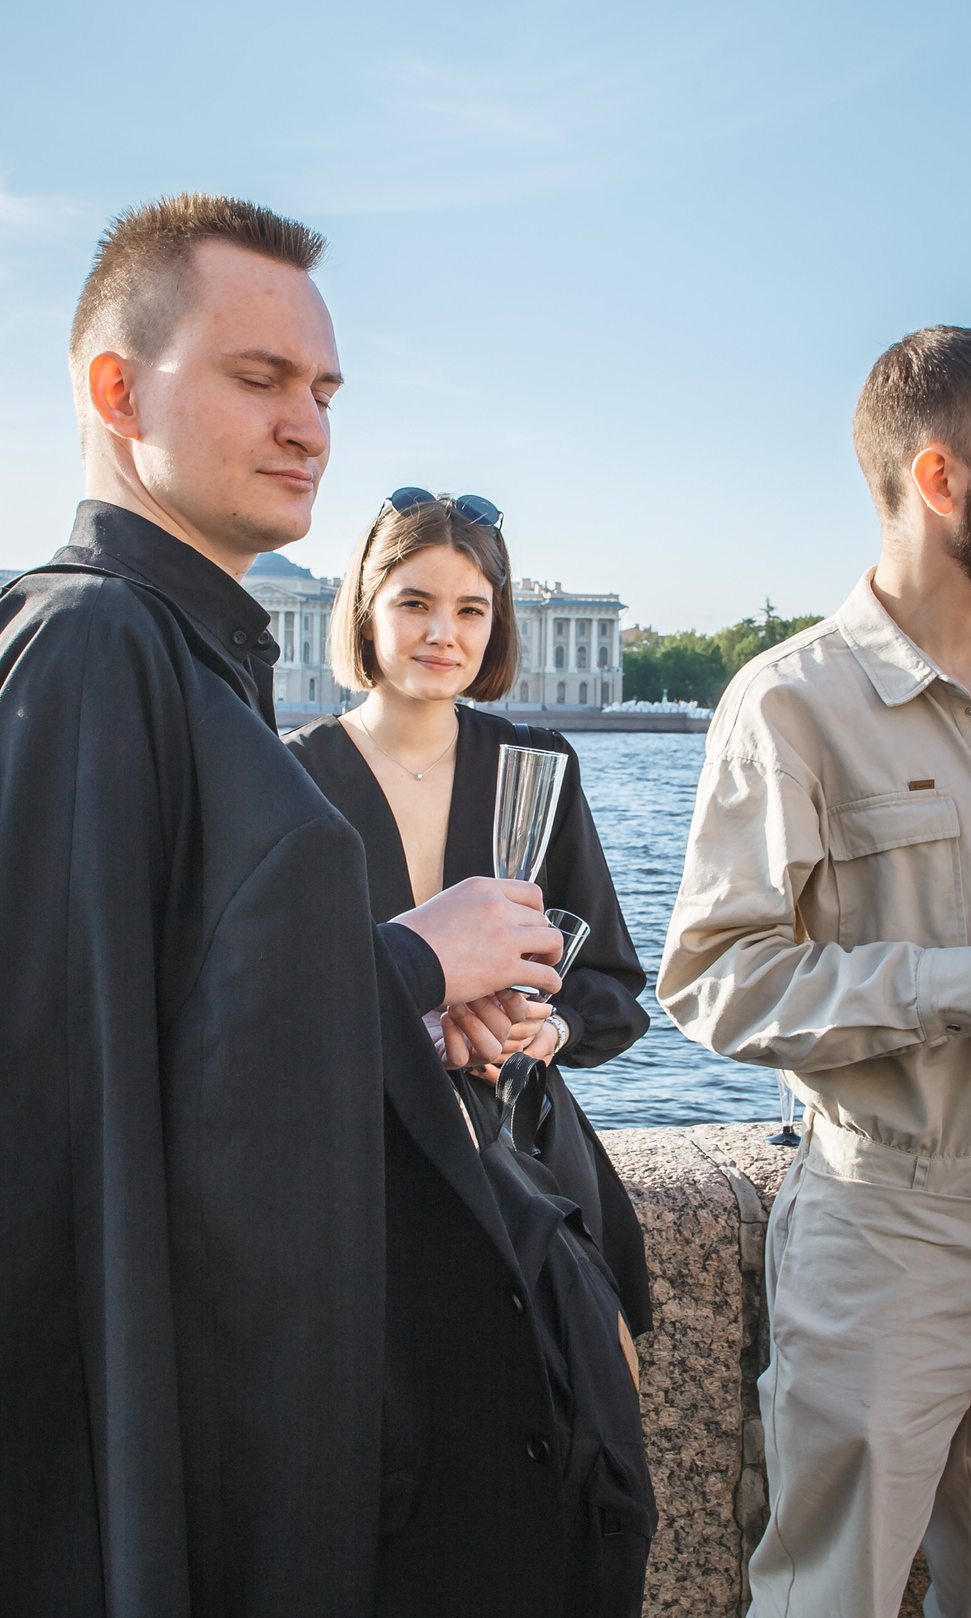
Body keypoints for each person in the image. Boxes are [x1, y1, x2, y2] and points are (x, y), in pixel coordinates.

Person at [0, 193, 647, 1618]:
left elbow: (168, 1026)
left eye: (324, 388)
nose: (310, 424)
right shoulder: (98, 651)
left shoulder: (159, 653)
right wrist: (410, 960)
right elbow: (91, 1110)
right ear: (115, 387)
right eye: (259, 378)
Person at [660, 326, 971, 1618]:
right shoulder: (791, 702)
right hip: (890, 1229)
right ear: (938, 478)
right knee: (833, 1596)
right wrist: (969, 976)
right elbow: (715, 981)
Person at [287, 487, 654, 1347]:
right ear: (366, 612)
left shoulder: (540, 765)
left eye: (470, 608)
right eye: (413, 602)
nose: (442, 632)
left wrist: (544, 1031)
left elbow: (614, 989)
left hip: (530, 1154)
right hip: (366, 1185)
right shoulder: (287, 778)